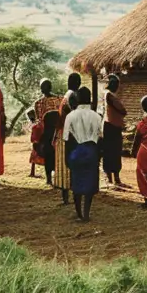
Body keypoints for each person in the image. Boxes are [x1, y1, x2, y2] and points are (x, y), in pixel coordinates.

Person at [64, 88, 104, 219]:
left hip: (76, 149)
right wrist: (99, 155)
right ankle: (86, 212)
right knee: (90, 183)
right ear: (90, 99)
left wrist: (66, 157)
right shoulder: (97, 116)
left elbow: (67, 139)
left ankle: (78, 213)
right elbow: (101, 137)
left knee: (76, 182)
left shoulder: (70, 116)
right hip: (92, 150)